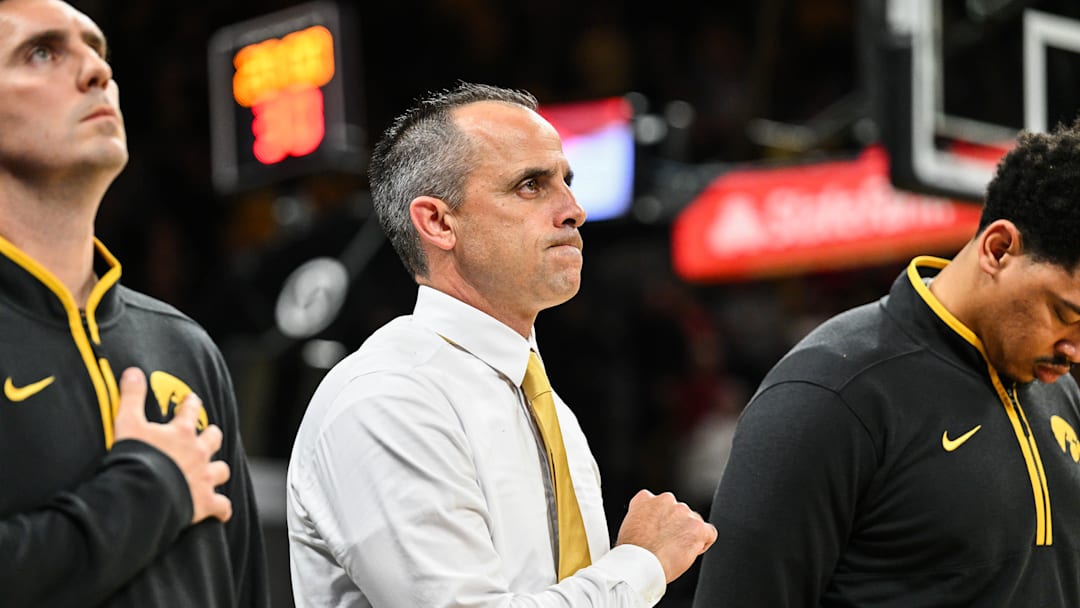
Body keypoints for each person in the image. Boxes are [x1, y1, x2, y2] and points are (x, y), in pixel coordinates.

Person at [287, 81, 717, 607]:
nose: (574, 209)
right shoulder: (388, 398)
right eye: (531, 186)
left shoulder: (548, 407)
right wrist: (640, 564)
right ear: (439, 222)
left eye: (567, 181)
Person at [693, 119, 1080, 606]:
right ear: (998, 250)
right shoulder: (832, 389)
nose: (1076, 351)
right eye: (1066, 314)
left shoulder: (1057, 387)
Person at [0, 0, 268, 605]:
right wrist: (147, 492)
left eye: (98, 50)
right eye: (41, 52)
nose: (96, 71)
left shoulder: (183, 344)